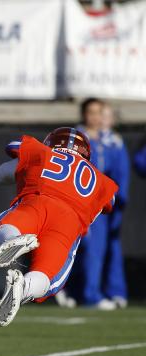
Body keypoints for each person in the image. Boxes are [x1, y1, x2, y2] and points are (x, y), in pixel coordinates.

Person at [0, 127, 117, 327]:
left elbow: (11, 165)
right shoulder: (100, 180)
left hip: (38, 201)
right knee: (48, 277)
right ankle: (24, 288)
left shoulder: (42, 152)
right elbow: (110, 202)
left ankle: (12, 239)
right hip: (69, 222)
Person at [72, 99, 117, 310]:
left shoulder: (107, 141)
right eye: (91, 112)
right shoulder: (76, 138)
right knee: (87, 250)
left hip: (100, 203)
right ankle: (89, 295)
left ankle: (83, 292)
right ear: (83, 114)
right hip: (81, 202)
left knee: (96, 250)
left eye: (99, 112)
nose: (95, 117)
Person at [100, 103, 130, 308]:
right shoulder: (83, 139)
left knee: (112, 247)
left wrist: (119, 199)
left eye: (105, 116)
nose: (101, 119)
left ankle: (115, 291)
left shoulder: (115, 142)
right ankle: (81, 291)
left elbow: (122, 174)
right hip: (87, 202)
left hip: (108, 204)